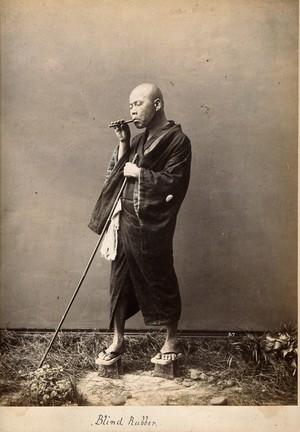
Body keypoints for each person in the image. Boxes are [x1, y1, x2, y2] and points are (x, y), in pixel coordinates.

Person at [88, 83, 192, 366]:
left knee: (158, 274)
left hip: (150, 222)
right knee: (119, 278)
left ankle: (171, 339)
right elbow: (119, 175)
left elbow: (174, 182)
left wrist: (141, 174)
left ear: (157, 105)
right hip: (125, 218)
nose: (132, 110)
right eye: (130, 105)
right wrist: (124, 141)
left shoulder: (178, 141)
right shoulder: (138, 140)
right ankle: (118, 340)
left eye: (139, 104)